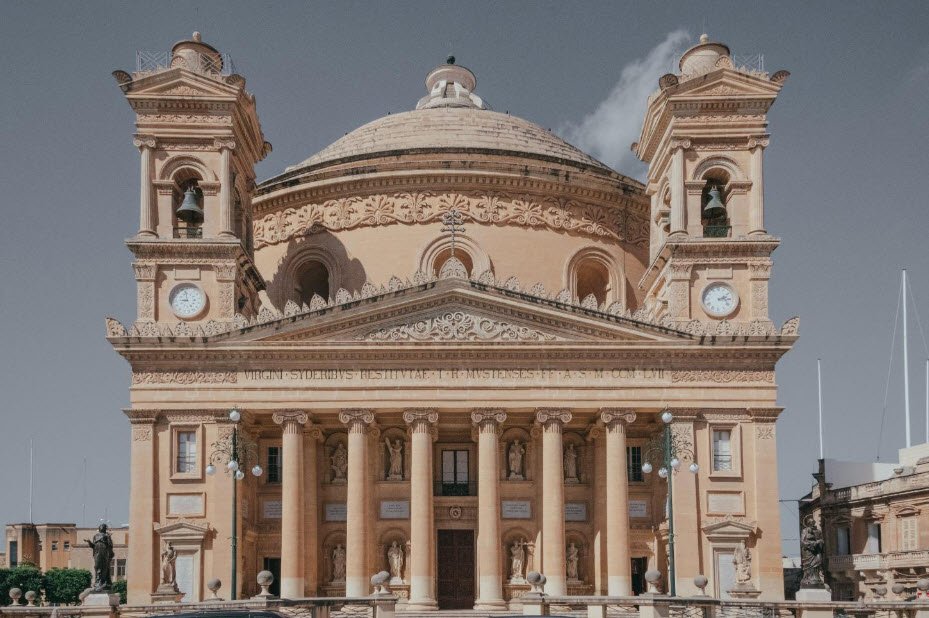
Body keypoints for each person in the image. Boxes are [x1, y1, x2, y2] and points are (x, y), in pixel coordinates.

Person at [85, 524, 114, 592]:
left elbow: (110, 545)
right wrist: (89, 542)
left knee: (104, 567)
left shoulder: (107, 536)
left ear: (104, 529)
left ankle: (103, 583)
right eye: (100, 527)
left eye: (103, 527)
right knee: (97, 567)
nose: (101, 528)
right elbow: (93, 546)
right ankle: (98, 582)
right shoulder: (95, 536)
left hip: (104, 554)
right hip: (97, 554)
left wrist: (109, 537)